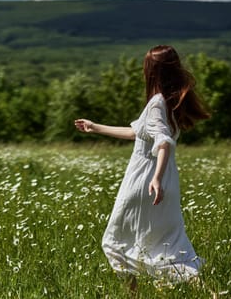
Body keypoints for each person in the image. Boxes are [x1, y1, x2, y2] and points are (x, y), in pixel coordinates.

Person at [74, 45, 210, 291]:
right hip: (165, 181)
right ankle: (208, 292)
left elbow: (163, 142)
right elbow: (137, 132)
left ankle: (133, 296)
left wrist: (155, 178)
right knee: (169, 248)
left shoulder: (157, 103)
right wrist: (94, 127)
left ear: (152, 71)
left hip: (145, 180)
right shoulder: (169, 101)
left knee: (115, 244)